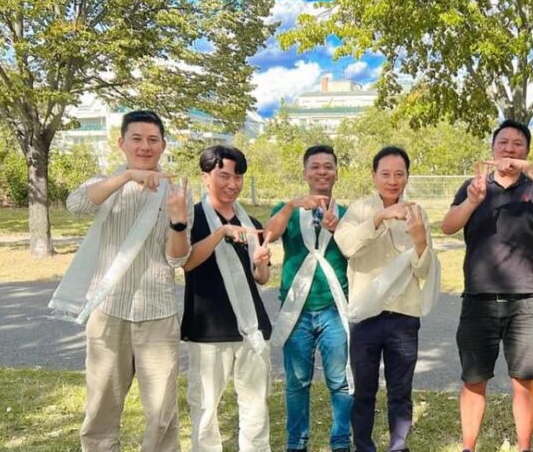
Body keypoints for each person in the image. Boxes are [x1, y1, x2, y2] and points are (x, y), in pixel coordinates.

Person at [50, 109, 192, 452]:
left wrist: (177, 221)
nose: (145, 146)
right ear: (122, 143)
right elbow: (77, 203)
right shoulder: (106, 183)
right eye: (137, 139)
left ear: (163, 145)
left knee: (161, 413)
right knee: (101, 408)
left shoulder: (177, 192)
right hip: (108, 309)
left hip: (157, 312)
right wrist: (128, 175)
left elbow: (178, 258)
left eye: (153, 140)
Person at [441, 119, 533, 452]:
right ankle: (469, 446)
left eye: (518, 144)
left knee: (524, 380)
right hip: (479, 298)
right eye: (504, 143)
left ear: (526, 151)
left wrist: (529, 168)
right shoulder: (474, 186)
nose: (510, 149)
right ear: (493, 147)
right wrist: (472, 200)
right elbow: (448, 226)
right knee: (474, 380)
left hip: (526, 300)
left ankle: (524, 447)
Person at [335, 146, 440, 452]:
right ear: (374, 176)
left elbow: (422, 270)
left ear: (407, 176)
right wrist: (380, 217)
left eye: (399, 174)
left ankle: (398, 446)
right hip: (366, 317)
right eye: (386, 174)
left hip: (404, 316)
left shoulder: (417, 213)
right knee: (364, 390)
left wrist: (420, 239)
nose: (393, 180)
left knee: (400, 391)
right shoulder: (359, 209)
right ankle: (364, 446)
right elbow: (347, 246)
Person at [181, 145, 272, 452]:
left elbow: (262, 278)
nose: (233, 184)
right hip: (208, 330)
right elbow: (186, 262)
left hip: (252, 328)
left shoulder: (251, 224)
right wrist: (221, 233)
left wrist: (260, 262)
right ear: (205, 177)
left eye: (238, 177)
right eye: (224, 175)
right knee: (205, 408)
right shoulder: (191, 218)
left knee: (256, 407)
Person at [265, 145, 351, 452]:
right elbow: (269, 235)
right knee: (297, 382)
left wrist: (339, 229)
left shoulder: (346, 213)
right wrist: (290, 206)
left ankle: (341, 443)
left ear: (336, 172)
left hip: (333, 307)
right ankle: (296, 444)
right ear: (305, 173)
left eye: (328, 166)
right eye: (315, 167)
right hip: (296, 308)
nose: (322, 172)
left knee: (340, 381)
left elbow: (356, 250)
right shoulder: (286, 208)